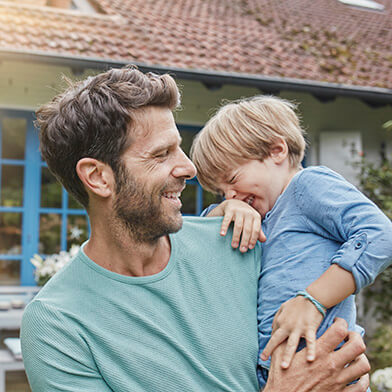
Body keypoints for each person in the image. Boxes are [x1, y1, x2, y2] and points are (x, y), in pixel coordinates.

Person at [21, 67, 370, 392]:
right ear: (98, 177)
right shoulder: (57, 324)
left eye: (180, 149)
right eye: (162, 154)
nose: (188, 167)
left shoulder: (238, 239)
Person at [191, 95, 392, 389]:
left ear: (276, 151)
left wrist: (314, 301)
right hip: (276, 376)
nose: (230, 195)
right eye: (221, 192)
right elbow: (201, 236)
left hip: (326, 366)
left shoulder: (306, 187)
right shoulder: (259, 217)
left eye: (233, 179)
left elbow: (379, 234)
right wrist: (224, 210)